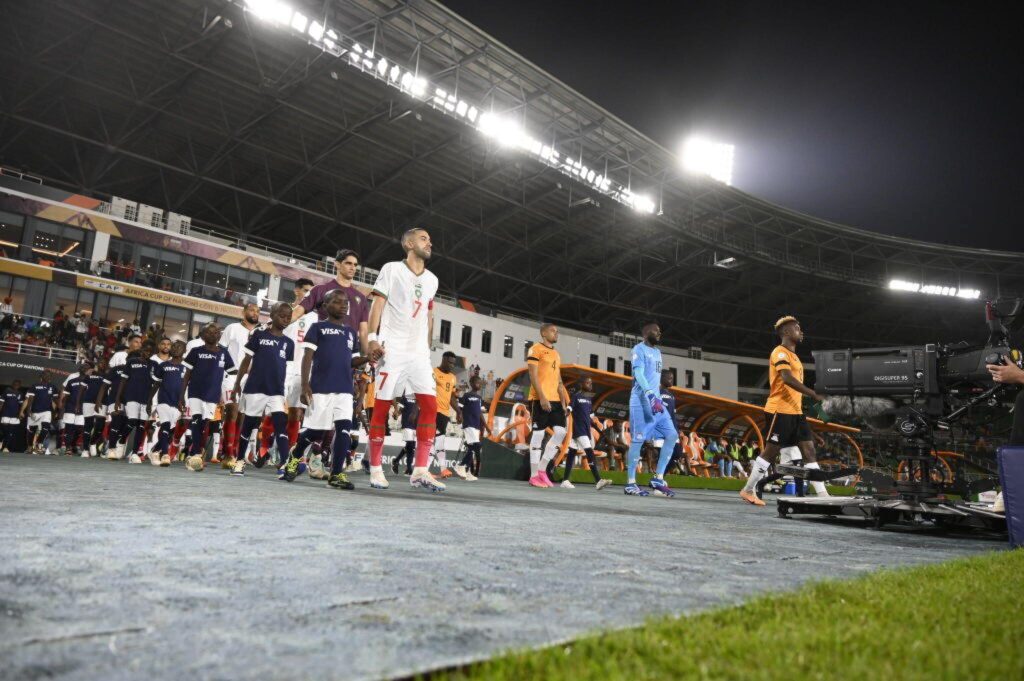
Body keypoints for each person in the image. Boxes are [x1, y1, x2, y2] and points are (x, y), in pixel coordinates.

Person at [364, 227, 445, 491]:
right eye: (424, 239)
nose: (429, 243)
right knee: (382, 407)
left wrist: (426, 347)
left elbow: (429, 315)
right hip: (393, 349)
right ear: (409, 243)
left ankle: (420, 470)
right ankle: (375, 469)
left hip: (419, 354)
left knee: (430, 407)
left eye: (430, 240)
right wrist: (373, 338)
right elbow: (377, 305)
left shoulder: (432, 279)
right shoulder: (391, 269)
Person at [280, 289, 368, 489]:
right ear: (325, 306)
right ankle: (295, 456)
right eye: (337, 302)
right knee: (315, 433)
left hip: (344, 389)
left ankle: (336, 474)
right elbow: (307, 357)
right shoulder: (317, 328)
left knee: (344, 429)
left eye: (346, 302)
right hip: (320, 388)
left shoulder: (350, 332)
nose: (344, 305)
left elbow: (352, 361)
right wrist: (304, 385)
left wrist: (367, 358)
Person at [740, 316, 828, 506]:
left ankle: (823, 495)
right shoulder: (779, 352)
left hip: (796, 412)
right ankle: (747, 490)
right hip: (779, 410)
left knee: (810, 451)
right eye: (797, 328)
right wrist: (813, 394)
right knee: (771, 452)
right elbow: (787, 378)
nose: (801, 331)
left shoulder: (795, 356)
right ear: (786, 332)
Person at [229, 303, 295, 476]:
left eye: (289, 317)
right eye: (282, 316)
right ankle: (240, 461)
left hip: (277, 392)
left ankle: (285, 464)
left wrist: (285, 390)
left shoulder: (289, 343)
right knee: (249, 425)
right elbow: (245, 361)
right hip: (255, 388)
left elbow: (287, 369)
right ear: (272, 315)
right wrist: (237, 385)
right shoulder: (259, 335)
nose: (286, 319)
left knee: (281, 425)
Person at [622, 322, 679, 497]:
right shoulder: (638, 349)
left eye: (660, 331)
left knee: (672, 435)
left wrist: (656, 397)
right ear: (646, 333)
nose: (660, 333)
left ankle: (658, 478)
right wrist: (649, 394)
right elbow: (638, 374)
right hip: (641, 400)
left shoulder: (657, 352)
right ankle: (630, 483)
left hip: (656, 402)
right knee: (638, 440)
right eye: (656, 331)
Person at [292, 250, 371, 356]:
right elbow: (297, 312)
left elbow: (363, 332)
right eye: (348, 263)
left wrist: (365, 357)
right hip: (324, 351)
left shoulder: (361, 298)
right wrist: (272, 325)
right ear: (337, 264)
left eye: (355, 265)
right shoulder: (320, 290)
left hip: (349, 354)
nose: (353, 267)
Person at [179, 323, 235, 463]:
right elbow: (187, 375)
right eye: (209, 333)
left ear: (220, 335)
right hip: (195, 392)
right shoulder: (196, 351)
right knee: (196, 420)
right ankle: (196, 453)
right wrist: (181, 395)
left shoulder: (224, 353)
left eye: (216, 332)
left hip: (213, 394)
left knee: (204, 423)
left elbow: (232, 372)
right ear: (203, 336)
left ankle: (195, 450)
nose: (213, 335)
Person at [525, 323, 570, 488]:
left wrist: (564, 401)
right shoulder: (535, 349)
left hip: (556, 400)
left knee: (560, 432)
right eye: (553, 331)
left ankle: (542, 470)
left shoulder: (557, 354)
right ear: (543, 333)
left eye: (557, 331)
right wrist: (542, 397)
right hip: (539, 398)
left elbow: (559, 380)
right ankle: (533, 475)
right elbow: (532, 374)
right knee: (538, 435)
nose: (556, 333)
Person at [219, 303, 260, 466]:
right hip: (232, 376)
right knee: (232, 412)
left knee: (244, 416)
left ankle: (235, 451)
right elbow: (221, 350)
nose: (255, 313)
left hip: (251, 379)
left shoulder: (261, 332)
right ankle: (228, 454)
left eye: (257, 311)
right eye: (251, 310)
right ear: (243, 312)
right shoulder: (232, 328)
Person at [282, 278, 316, 452]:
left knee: (296, 412)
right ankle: (265, 447)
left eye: (311, 291)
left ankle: (288, 451)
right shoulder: (285, 312)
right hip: (282, 368)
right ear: (296, 290)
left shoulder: (315, 317)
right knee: (276, 411)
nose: (309, 294)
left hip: (300, 370)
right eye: (305, 290)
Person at [564, 377, 611, 490]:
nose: (590, 385)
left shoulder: (589, 400)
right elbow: (570, 407)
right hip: (578, 429)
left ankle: (565, 480)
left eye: (591, 383)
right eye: (587, 382)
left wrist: (600, 431)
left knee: (572, 452)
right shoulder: (576, 396)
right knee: (589, 452)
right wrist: (567, 411)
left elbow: (590, 419)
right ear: (581, 384)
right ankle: (598, 480)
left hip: (585, 430)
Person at [148, 340, 187, 467]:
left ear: (184, 350)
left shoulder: (187, 367)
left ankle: (154, 451)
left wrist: (185, 402)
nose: (175, 349)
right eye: (174, 346)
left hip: (178, 403)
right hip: (163, 400)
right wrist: (149, 401)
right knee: (165, 426)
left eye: (179, 347)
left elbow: (187, 387)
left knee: (169, 431)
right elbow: (156, 384)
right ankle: (165, 454)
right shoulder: (163, 365)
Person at [114, 347, 154, 464]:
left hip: (145, 399)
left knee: (141, 426)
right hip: (131, 397)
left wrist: (150, 401)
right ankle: (121, 441)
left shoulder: (154, 364)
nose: (148, 353)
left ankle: (135, 453)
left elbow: (155, 384)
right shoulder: (132, 362)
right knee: (132, 422)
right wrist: (118, 399)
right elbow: (123, 381)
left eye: (150, 351)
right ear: (142, 351)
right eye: (146, 350)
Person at [454, 375, 490, 481]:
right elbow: (459, 409)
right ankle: (461, 466)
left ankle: (468, 472)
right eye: (477, 383)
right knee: (476, 446)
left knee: (472, 448)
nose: (479, 385)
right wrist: (459, 417)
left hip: (476, 426)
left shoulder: (479, 398)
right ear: (472, 384)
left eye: (480, 383)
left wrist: (486, 426)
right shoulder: (466, 395)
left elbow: (479, 413)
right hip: (468, 424)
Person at [433, 351, 461, 478]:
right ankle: (439, 469)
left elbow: (451, 397)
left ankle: (440, 469)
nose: (451, 365)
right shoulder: (433, 372)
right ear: (443, 360)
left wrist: (459, 411)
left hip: (444, 413)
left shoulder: (452, 377)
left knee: (438, 440)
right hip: (433, 411)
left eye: (453, 363)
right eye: (449, 362)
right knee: (437, 439)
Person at [58, 363, 90, 456]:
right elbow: (66, 395)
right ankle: (68, 448)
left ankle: (73, 444)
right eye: (83, 367)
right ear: (79, 369)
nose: (85, 369)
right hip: (70, 407)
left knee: (79, 429)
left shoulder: (90, 382)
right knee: (69, 428)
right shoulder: (71, 380)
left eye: (87, 368)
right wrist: (62, 405)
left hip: (83, 409)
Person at [20, 373, 57, 455]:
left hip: (46, 411)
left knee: (46, 427)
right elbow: (30, 399)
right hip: (34, 411)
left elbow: (54, 401)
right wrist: (28, 410)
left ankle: (38, 444)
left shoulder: (53, 387)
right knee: (31, 431)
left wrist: (55, 412)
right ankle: (29, 447)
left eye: (49, 376)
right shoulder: (34, 386)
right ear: (41, 377)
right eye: (45, 376)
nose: (47, 377)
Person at [82, 358, 107, 457]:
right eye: (101, 363)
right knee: (88, 425)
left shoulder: (107, 376)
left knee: (100, 426)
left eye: (104, 363)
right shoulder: (89, 375)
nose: (102, 365)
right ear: (97, 364)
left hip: (103, 402)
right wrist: (78, 404)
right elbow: (82, 389)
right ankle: (85, 450)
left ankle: (92, 442)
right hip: (88, 402)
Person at [390, 391, 418, 475]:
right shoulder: (405, 397)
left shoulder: (419, 397)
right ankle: (409, 468)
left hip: (416, 426)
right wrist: (396, 414)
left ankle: (396, 461)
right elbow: (400, 410)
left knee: (410, 446)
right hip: (407, 424)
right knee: (411, 445)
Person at [1, 380, 23, 452]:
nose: (16, 385)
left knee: (11, 432)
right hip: (5, 414)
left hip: (15, 416)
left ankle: (5, 447)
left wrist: (20, 413)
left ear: (19, 386)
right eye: (15, 384)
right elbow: (1, 402)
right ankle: (2, 442)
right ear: (12, 384)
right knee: (5, 431)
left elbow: (21, 405)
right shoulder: (6, 391)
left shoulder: (20, 394)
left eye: (18, 384)